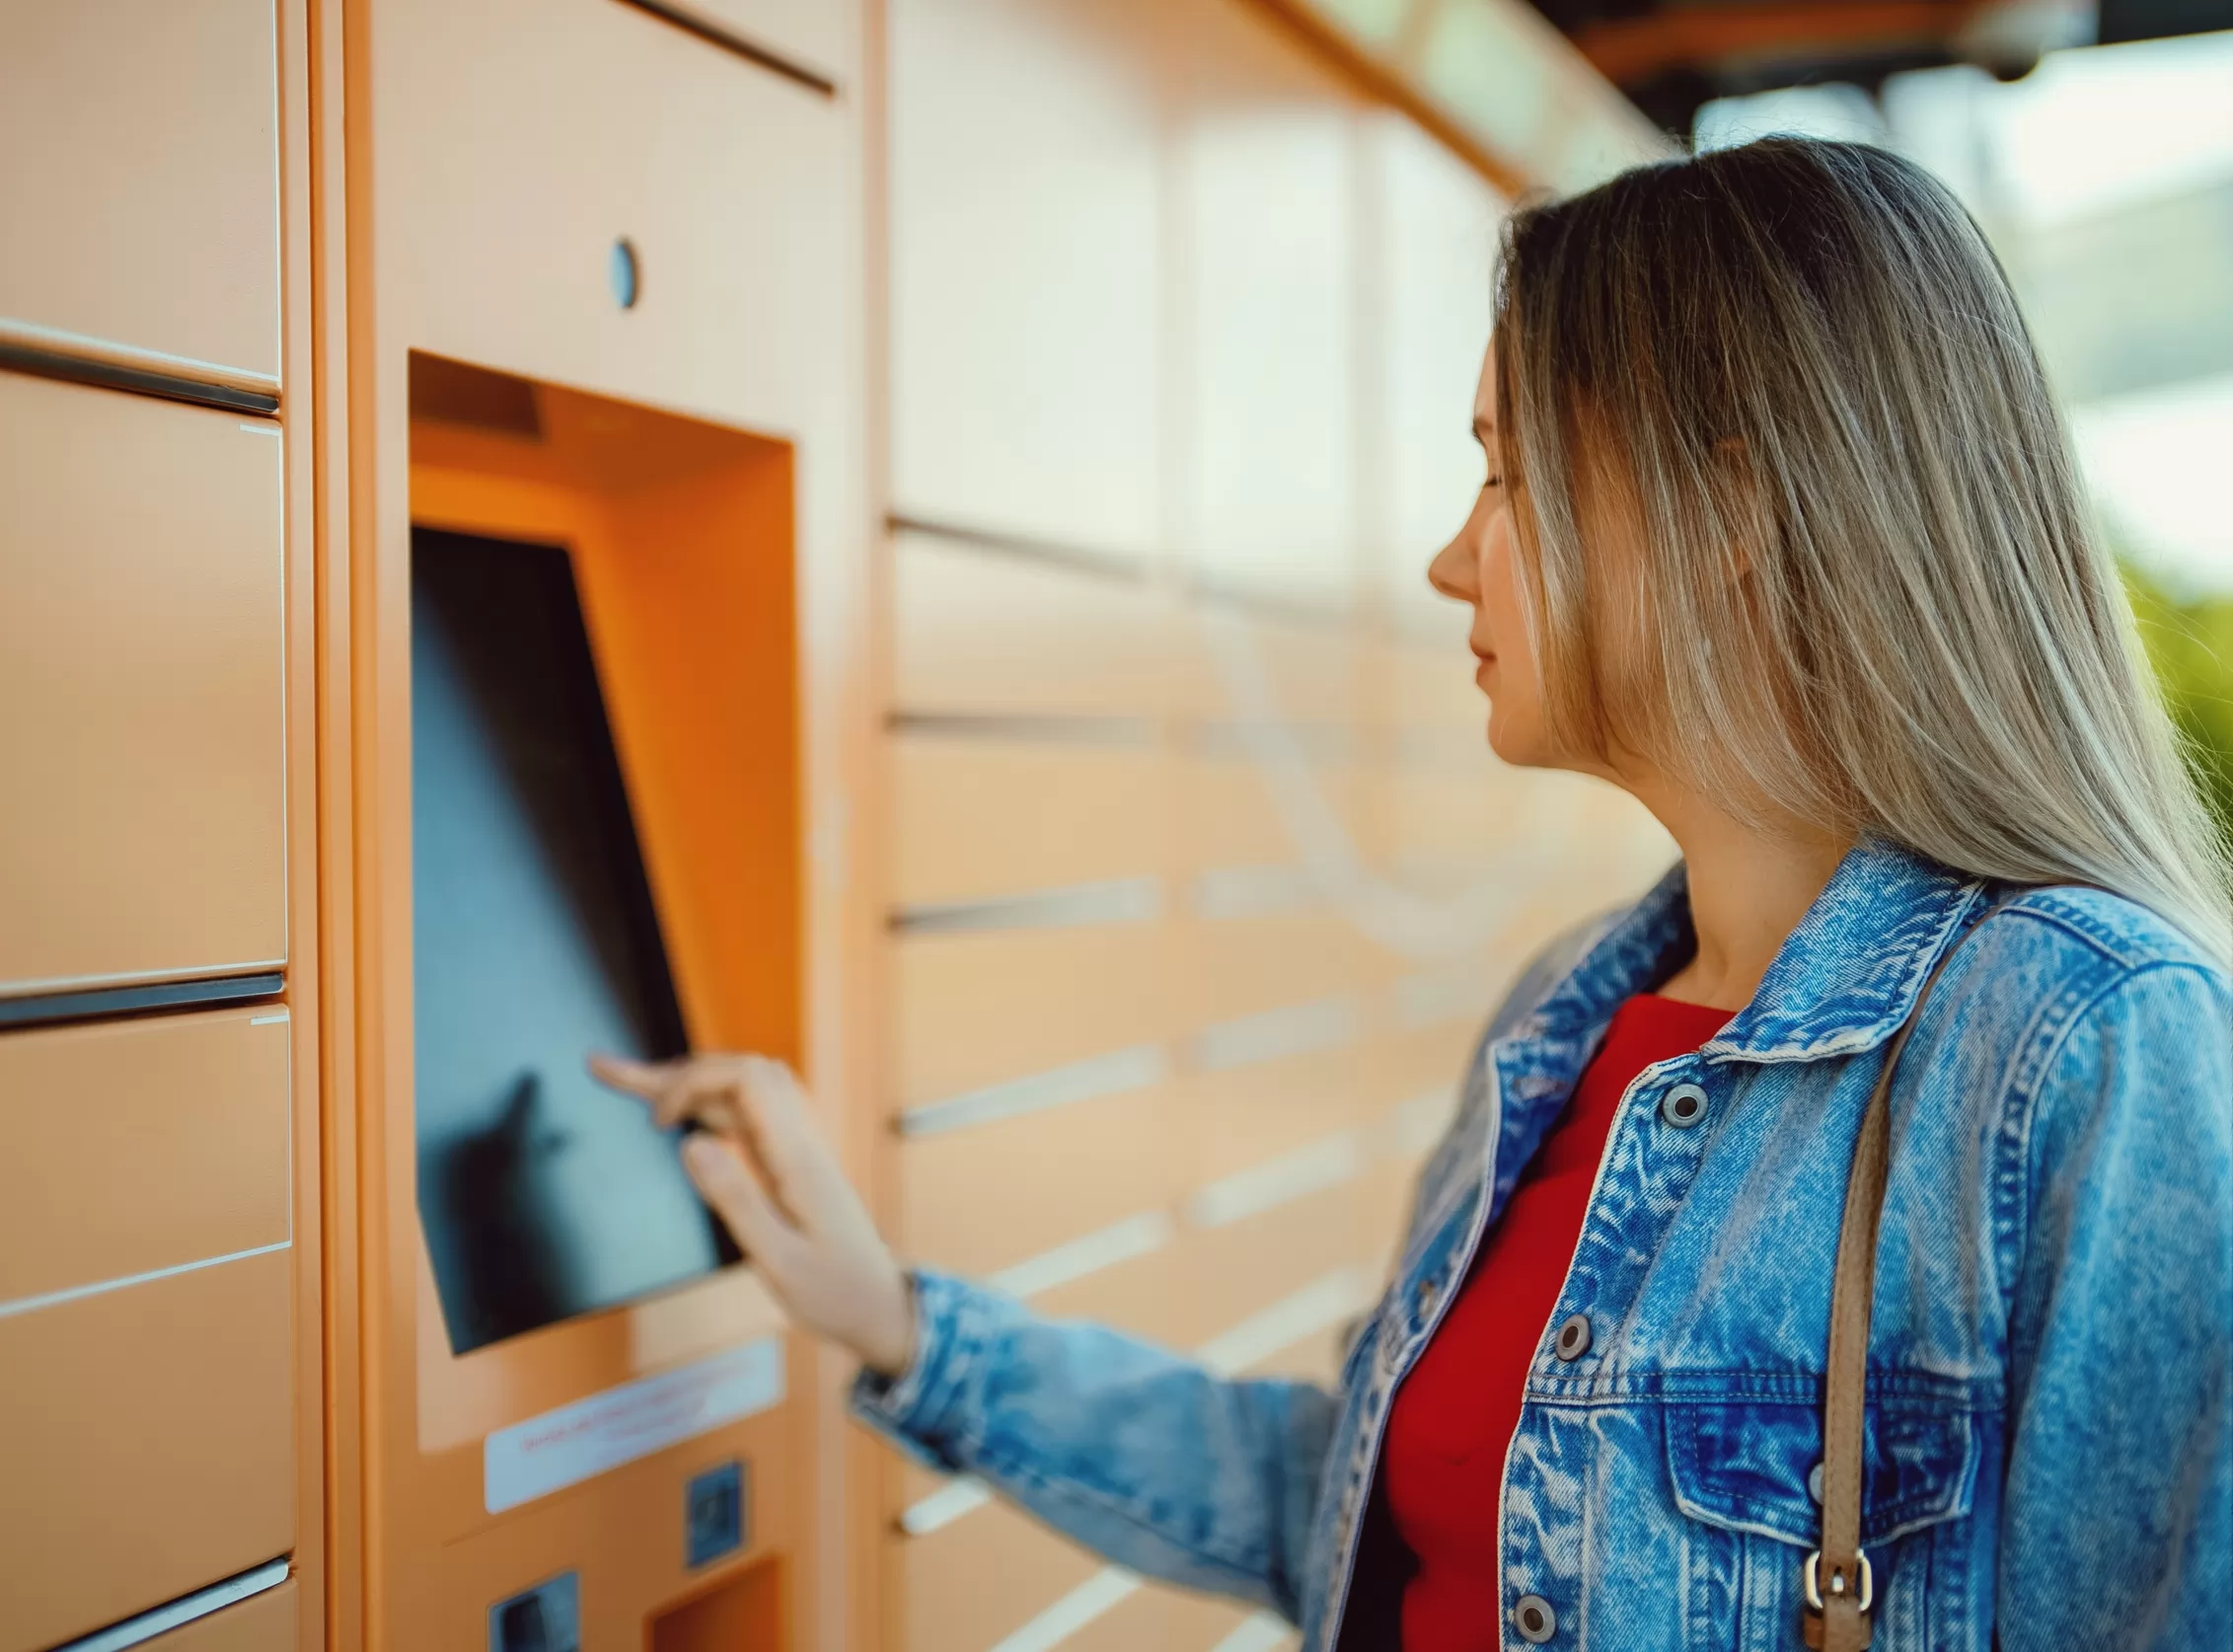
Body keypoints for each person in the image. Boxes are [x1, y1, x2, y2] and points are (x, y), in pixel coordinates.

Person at [593, 137, 2232, 1651]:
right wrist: (889, 1315)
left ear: (1732, 509)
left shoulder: (2088, 1046)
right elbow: (1356, 1506)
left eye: (1506, 477)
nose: (1452, 557)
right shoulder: (1569, 1012)